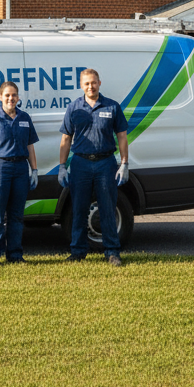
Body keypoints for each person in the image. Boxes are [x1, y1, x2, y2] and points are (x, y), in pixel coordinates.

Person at [58, 68, 129, 267]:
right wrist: (62, 166)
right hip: (80, 163)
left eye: (94, 82)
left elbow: (122, 136)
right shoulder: (74, 108)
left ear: (99, 83)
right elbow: (66, 138)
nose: (91, 86)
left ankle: (112, 252)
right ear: (82, 86)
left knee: (107, 208)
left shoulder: (112, 107)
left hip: (105, 163)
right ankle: (78, 251)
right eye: (87, 83)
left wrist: (124, 163)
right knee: (78, 208)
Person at [0, 80, 39, 265]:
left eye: (13, 95)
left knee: (16, 215)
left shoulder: (25, 118)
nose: (10, 98)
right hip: (0, 169)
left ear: (18, 97)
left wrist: (34, 170)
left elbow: (30, 146)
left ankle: (15, 255)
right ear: (0, 97)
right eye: (7, 95)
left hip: (21, 168)